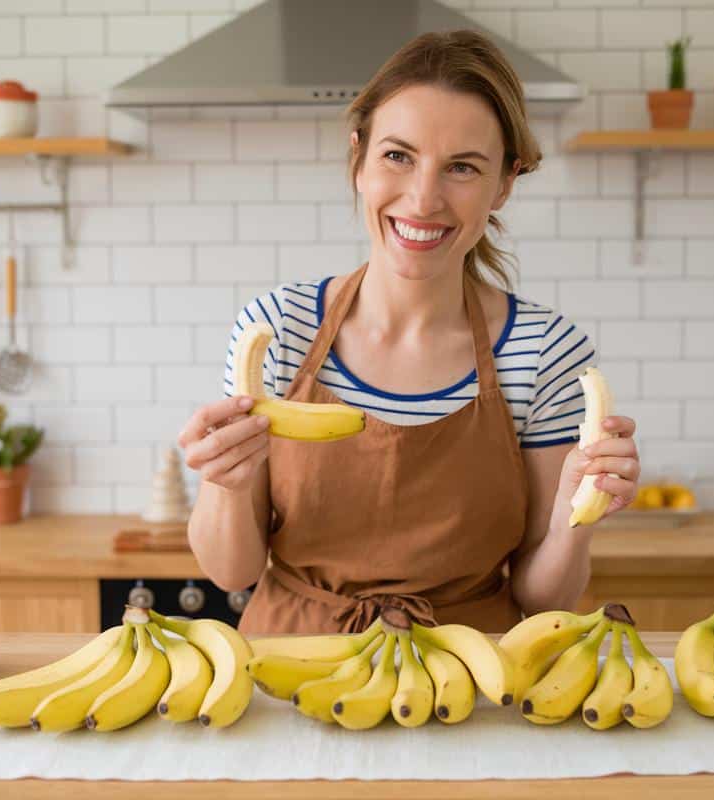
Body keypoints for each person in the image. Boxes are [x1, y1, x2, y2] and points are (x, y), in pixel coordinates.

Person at [178, 30, 640, 635]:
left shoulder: (547, 353)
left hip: (469, 680)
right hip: (289, 669)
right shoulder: (279, 329)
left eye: (462, 168)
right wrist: (223, 483)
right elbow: (231, 571)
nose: (423, 199)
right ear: (358, 161)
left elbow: (543, 599)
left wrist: (574, 516)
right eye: (398, 155)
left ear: (504, 183)